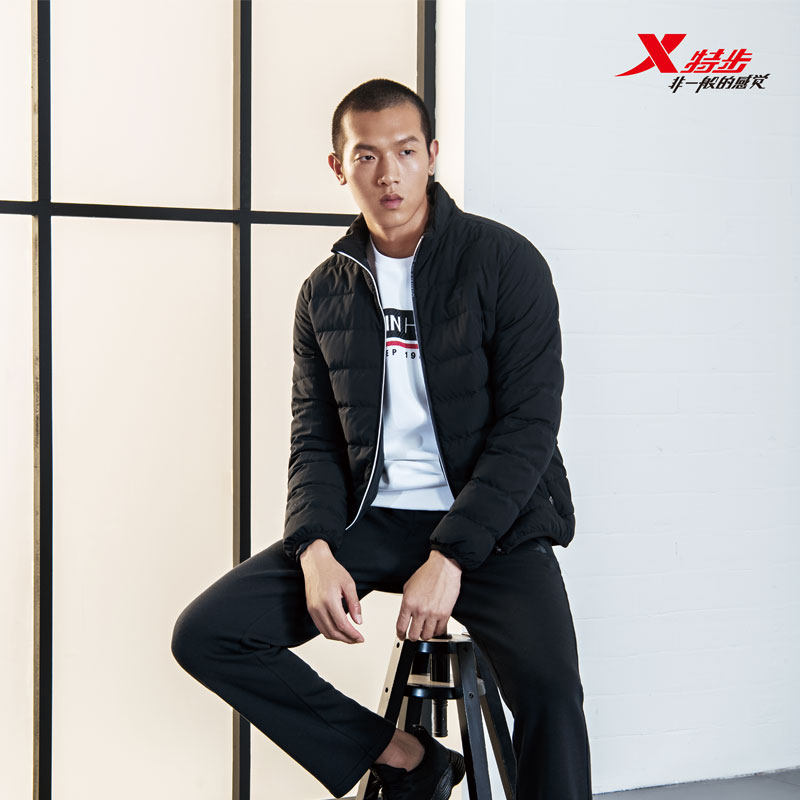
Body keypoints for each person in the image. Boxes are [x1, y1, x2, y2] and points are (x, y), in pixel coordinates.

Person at [171, 77, 592, 800]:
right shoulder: (325, 291)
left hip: (495, 525)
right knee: (209, 633)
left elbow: (528, 427)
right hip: (374, 521)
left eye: (405, 151)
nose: (388, 173)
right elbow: (314, 440)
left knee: (552, 695)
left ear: (432, 153)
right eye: (367, 155)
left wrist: (452, 556)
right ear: (339, 167)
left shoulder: (505, 262)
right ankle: (405, 758)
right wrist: (313, 547)